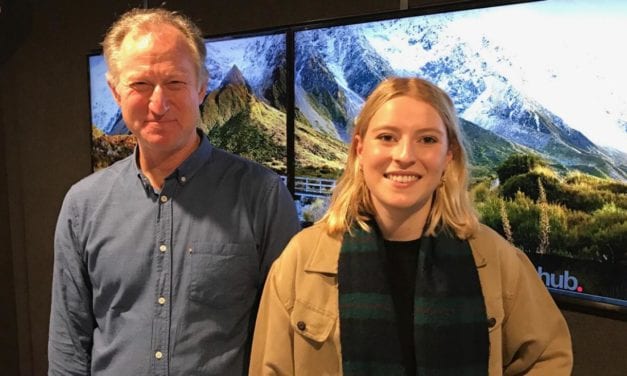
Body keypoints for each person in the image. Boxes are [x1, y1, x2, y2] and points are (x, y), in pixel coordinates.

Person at [249, 77, 573, 375]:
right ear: (360, 150)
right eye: (387, 137)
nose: (404, 155)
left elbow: (548, 358)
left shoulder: (496, 259)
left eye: (427, 139)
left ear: (449, 155)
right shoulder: (300, 261)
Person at [48, 8, 299, 375]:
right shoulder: (82, 205)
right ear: (116, 91)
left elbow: (286, 338)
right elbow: (69, 346)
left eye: (175, 83)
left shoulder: (263, 196)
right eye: (140, 85)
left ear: (201, 87)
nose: (158, 104)